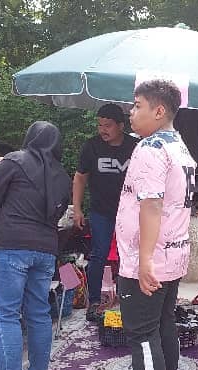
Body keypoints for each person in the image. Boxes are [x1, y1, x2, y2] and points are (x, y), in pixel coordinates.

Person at [103, 80, 195, 370]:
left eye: (137, 105)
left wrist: (143, 260)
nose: (131, 112)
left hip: (149, 259)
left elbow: (152, 204)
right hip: (172, 253)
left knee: (142, 335)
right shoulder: (179, 145)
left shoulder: (151, 148)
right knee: (162, 325)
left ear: (158, 111)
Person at [0, 121, 72, 370]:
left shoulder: (15, 161)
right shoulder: (62, 175)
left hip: (13, 245)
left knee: (6, 314)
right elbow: (58, 211)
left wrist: (8, 218)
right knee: (39, 313)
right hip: (46, 248)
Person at [72, 104, 138, 321]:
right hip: (100, 210)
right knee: (98, 255)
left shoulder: (135, 147)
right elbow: (80, 177)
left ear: (121, 125)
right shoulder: (92, 146)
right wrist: (77, 208)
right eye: (100, 125)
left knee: (129, 255)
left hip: (130, 211)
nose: (103, 130)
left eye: (108, 125)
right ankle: (94, 302)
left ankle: (128, 299)